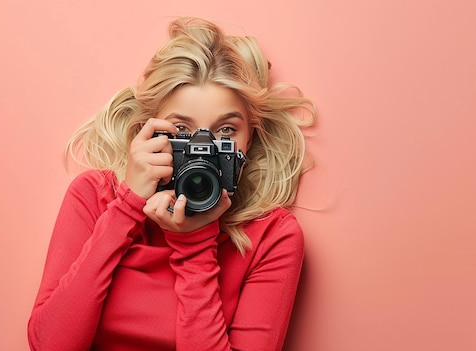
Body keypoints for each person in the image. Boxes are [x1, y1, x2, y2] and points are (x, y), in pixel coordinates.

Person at [28, 16, 315, 351]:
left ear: (250, 138)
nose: (201, 152)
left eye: (225, 132)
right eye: (181, 130)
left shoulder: (274, 236)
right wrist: (125, 207)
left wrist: (195, 245)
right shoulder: (94, 196)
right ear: (148, 129)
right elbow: (50, 345)